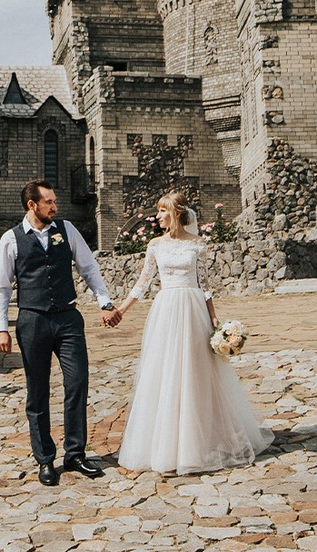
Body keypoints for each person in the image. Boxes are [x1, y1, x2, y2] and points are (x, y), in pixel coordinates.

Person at [114, 190, 272, 475]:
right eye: (158, 211)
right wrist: (121, 310)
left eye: (163, 211)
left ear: (176, 213)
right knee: (165, 372)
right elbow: (142, 283)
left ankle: (201, 441)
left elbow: (205, 285)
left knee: (196, 373)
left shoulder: (198, 244)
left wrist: (215, 320)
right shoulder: (154, 245)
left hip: (193, 310)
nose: (158, 216)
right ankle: (166, 446)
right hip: (166, 310)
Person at [0, 179, 119, 486]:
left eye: (54, 201)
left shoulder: (67, 229)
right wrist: (1, 328)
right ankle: (45, 459)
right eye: (48, 202)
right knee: (37, 391)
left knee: (77, 382)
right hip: (32, 321)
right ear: (31, 205)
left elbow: (88, 268)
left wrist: (104, 301)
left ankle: (75, 453)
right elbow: (2, 288)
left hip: (68, 318)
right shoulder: (10, 239)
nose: (55, 207)